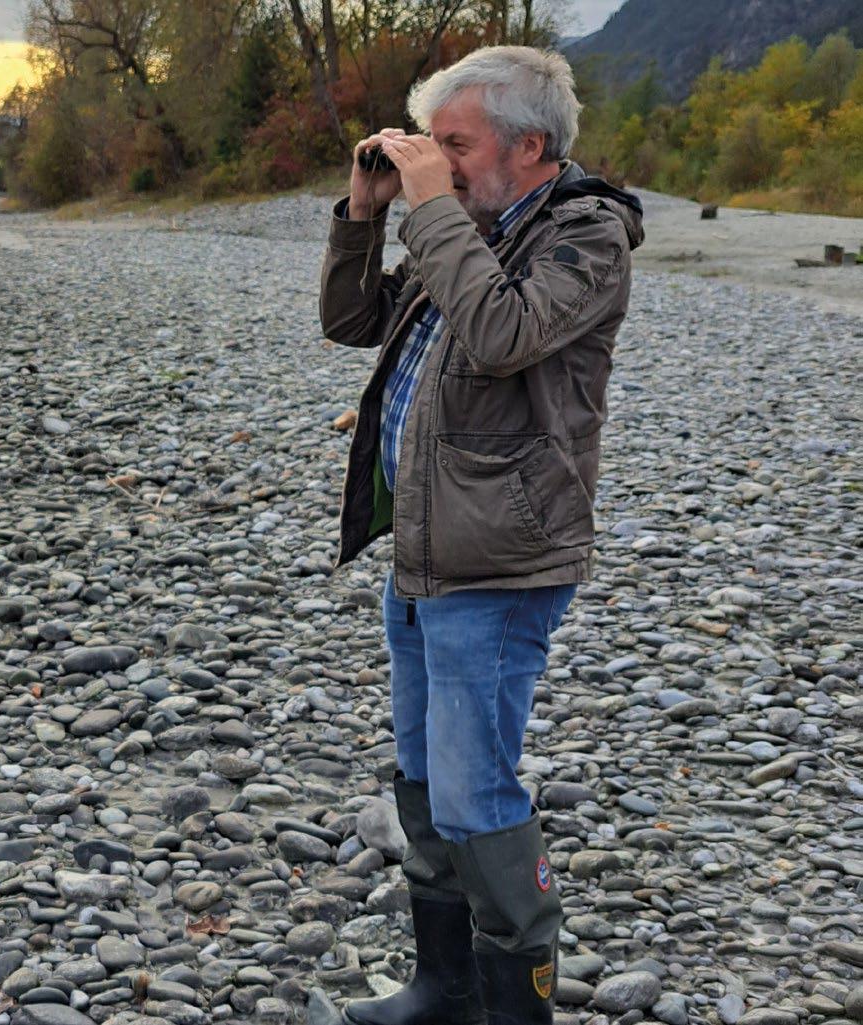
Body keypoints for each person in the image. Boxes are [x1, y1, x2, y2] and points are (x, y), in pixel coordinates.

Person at [318, 46, 645, 1025]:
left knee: (472, 792)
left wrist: (430, 207)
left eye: (453, 144)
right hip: (424, 548)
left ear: (528, 145)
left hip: (500, 556)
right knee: (422, 778)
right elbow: (352, 321)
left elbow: (501, 334)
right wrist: (363, 215)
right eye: (432, 144)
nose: (438, 160)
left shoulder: (586, 235)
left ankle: (514, 1010)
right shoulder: (466, 224)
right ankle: (446, 988)